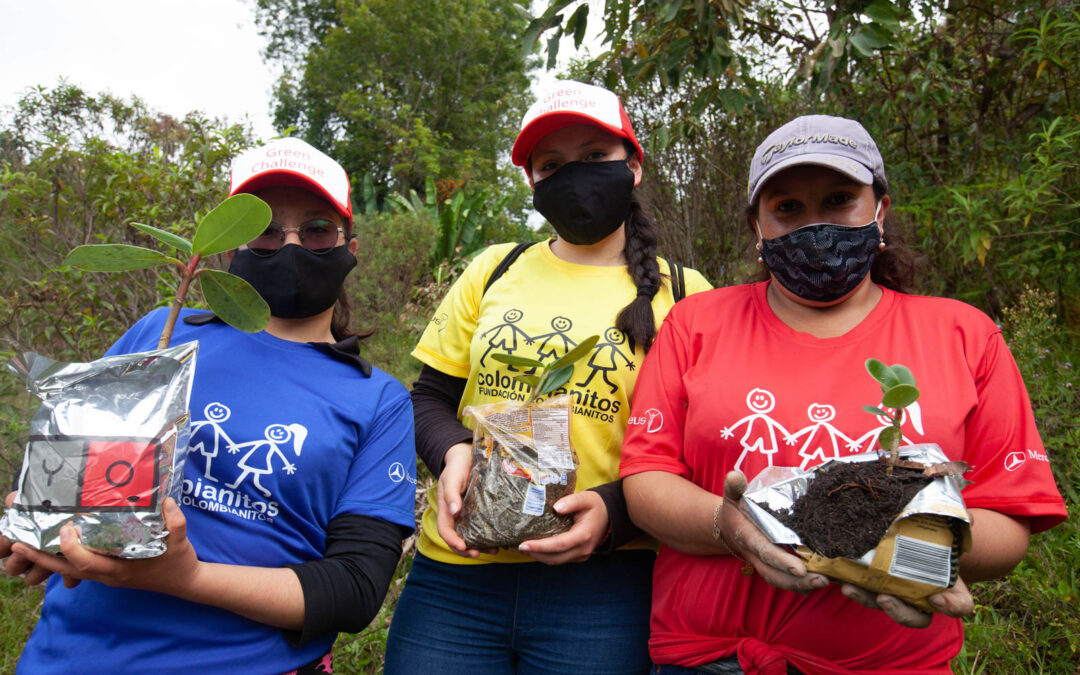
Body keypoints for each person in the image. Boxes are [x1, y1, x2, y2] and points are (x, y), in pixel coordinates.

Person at [619, 114, 1068, 674]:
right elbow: (647, 479)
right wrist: (732, 528)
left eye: (838, 200)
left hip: (889, 663)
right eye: (787, 208)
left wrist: (914, 552)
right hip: (713, 656)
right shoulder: (697, 323)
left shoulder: (963, 335)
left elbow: (1010, 515)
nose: (815, 225)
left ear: (879, 209)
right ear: (758, 226)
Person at [0, 137, 417, 674]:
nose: (289, 245)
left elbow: (354, 589)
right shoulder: (163, 332)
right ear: (228, 250)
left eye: (316, 230)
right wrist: (34, 526)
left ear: (348, 248)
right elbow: (70, 471)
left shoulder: (377, 398)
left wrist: (185, 578)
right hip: (70, 658)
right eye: (264, 232)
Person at [384, 80, 712, 674]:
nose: (575, 176)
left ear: (633, 166)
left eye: (594, 158)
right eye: (552, 165)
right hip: (458, 575)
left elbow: (699, 449)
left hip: (606, 584)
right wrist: (451, 452)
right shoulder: (494, 268)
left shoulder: (688, 296)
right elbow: (430, 396)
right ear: (534, 184)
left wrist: (615, 511)